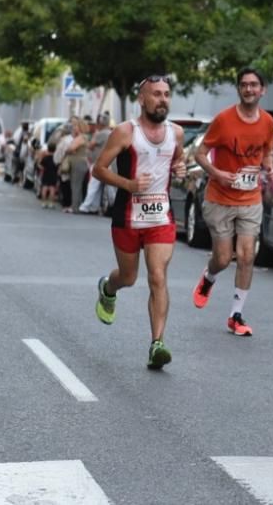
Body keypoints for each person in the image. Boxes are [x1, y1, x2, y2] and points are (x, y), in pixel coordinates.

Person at [92, 75, 186, 369]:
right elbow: (98, 169)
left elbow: (177, 161)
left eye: (167, 94)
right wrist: (129, 185)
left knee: (157, 276)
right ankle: (109, 288)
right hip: (128, 217)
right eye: (156, 94)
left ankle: (157, 343)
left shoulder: (177, 133)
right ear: (142, 99)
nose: (162, 99)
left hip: (161, 217)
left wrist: (180, 169)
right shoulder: (124, 132)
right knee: (129, 277)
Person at [191, 67, 273, 337]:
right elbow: (199, 153)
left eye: (254, 85)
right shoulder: (223, 120)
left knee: (248, 255)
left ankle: (236, 315)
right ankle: (209, 277)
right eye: (244, 84)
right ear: (239, 89)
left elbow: (267, 151)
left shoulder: (268, 122)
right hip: (220, 197)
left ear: (263, 90)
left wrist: (269, 169)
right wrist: (217, 173)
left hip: (250, 198)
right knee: (224, 258)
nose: (249, 89)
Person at [79, 114, 113, 214]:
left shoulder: (101, 134)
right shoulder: (111, 133)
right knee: (106, 187)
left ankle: (85, 207)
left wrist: (94, 135)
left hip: (98, 163)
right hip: (108, 163)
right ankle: (95, 207)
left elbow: (90, 145)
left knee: (93, 186)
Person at [38, 141, 60, 209]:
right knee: (52, 189)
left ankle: (44, 203)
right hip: (53, 174)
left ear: (48, 149)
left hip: (46, 174)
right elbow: (58, 166)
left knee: (44, 188)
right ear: (55, 149)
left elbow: (40, 166)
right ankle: (51, 203)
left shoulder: (45, 158)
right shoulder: (56, 158)